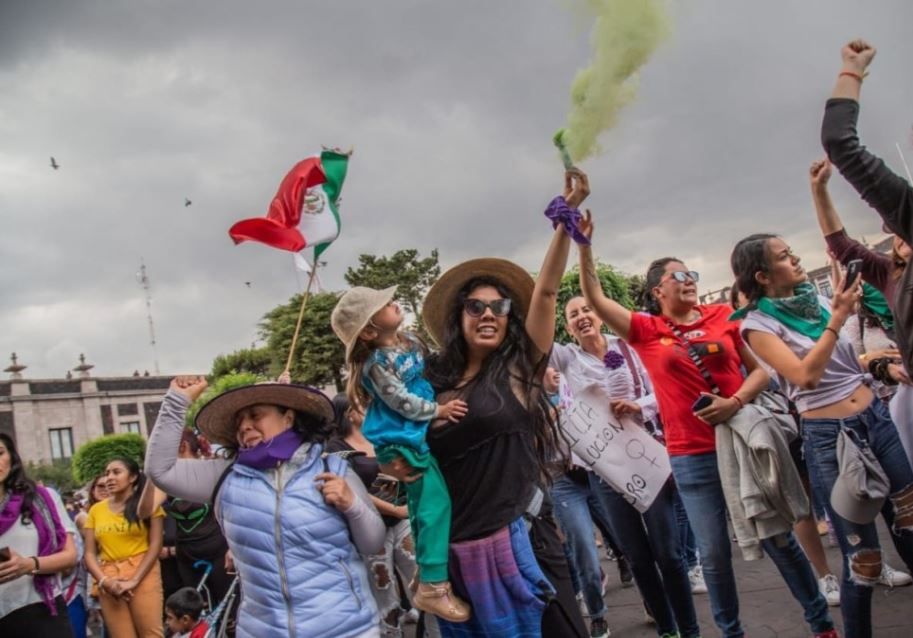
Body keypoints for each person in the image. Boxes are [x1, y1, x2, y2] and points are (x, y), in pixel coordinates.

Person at [576, 210, 836, 638]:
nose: (689, 278)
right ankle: (731, 632)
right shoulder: (646, 329)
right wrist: (584, 246)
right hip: (691, 458)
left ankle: (821, 623)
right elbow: (598, 298)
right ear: (658, 290)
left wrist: (734, 401)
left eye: (691, 272)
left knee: (777, 538)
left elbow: (762, 371)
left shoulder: (723, 317)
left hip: (742, 445)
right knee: (713, 554)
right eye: (678, 275)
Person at [383, 169, 591, 637]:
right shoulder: (428, 381)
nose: (489, 315)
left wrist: (565, 218)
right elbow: (401, 441)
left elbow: (548, 292)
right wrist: (397, 462)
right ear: (460, 317)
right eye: (476, 306)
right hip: (452, 552)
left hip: (523, 538)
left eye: (499, 307)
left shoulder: (521, 367)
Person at [731, 233, 913, 638]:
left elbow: (849, 364)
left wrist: (881, 367)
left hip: (875, 420)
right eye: (784, 257)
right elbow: (805, 376)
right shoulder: (757, 325)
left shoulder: (813, 304)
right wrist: (836, 318)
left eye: (792, 251)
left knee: (910, 522)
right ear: (762, 275)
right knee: (862, 560)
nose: (795, 259)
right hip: (830, 438)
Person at [145, 376, 386, 638]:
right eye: (239, 422)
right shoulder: (226, 477)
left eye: (255, 415)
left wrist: (352, 505)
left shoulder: (333, 469)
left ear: (288, 417)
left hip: (347, 629)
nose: (245, 426)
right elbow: (160, 470)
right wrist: (177, 401)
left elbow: (372, 544)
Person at [550, 295, 701, 638]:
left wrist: (638, 405)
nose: (582, 317)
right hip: (605, 471)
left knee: (669, 552)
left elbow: (664, 391)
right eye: (573, 315)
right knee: (638, 556)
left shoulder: (631, 348)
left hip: (646, 460)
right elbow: (538, 335)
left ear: (601, 314)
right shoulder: (567, 358)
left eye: (587, 309)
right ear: (568, 327)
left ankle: (690, 630)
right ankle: (668, 630)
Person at [331, 286, 470, 623]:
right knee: (435, 505)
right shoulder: (375, 365)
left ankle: (424, 572)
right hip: (401, 440)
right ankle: (434, 586)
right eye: (382, 305)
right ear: (368, 330)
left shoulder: (410, 341)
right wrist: (438, 410)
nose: (392, 302)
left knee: (424, 506)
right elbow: (401, 402)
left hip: (413, 436)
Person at [820, 39, 913, 384]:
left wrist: (853, 70)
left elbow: (839, 143)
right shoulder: (892, 276)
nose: (889, 228)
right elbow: (842, 247)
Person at [325, 394, 440, 638]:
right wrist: (394, 509)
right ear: (349, 415)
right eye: (362, 405)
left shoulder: (381, 436)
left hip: (403, 523)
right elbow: (352, 492)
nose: (369, 408)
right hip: (370, 532)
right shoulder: (335, 449)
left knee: (423, 584)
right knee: (384, 592)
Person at [137, 429, 233, 607]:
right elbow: (144, 511)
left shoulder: (211, 469)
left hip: (220, 553)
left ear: (183, 446)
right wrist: (153, 475)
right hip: (188, 557)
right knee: (196, 616)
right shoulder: (169, 479)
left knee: (229, 614)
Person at [0, 432, 78, 635]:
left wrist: (28, 565)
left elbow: (70, 556)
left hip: (40, 608)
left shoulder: (42, 499)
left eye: (0, 453)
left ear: (11, 458)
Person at [83, 457, 165, 638]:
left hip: (143, 572)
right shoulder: (96, 510)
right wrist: (105, 581)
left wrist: (135, 580)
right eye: (107, 473)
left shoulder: (148, 504)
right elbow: (89, 553)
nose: (109, 478)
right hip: (109, 577)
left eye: (116, 472)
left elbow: (156, 544)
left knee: (152, 634)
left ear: (133, 477)